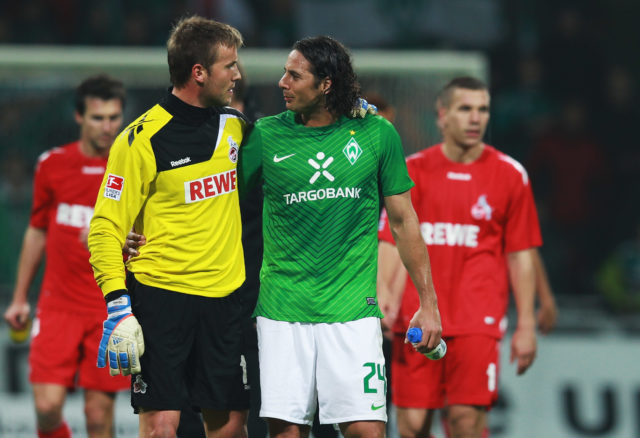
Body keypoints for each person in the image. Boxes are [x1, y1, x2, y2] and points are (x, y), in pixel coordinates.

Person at [237, 35, 442, 438]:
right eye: (284, 73)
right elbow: (218, 205)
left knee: (368, 432)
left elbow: (403, 222)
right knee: (287, 434)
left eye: (294, 75)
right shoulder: (263, 135)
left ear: (325, 83)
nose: (282, 82)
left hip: (352, 313)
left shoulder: (376, 134)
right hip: (282, 310)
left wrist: (428, 302)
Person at [87, 16, 251, 438]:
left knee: (230, 428)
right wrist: (118, 305)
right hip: (161, 299)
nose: (238, 74)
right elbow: (105, 226)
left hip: (225, 299)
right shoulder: (139, 139)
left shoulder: (234, 126)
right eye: (229, 65)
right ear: (199, 72)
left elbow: (294, 138)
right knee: (162, 427)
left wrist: (347, 114)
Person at [377, 76, 542, 438]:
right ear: (442, 116)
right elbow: (391, 240)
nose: (475, 118)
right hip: (416, 315)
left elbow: (521, 255)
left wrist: (526, 324)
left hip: (476, 320)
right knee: (412, 426)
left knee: (467, 422)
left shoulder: (511, 175)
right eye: (465, 108)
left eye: (482, 109)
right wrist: (384, 297)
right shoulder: (412, 171)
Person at [3, 75, 129, 438]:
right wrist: (18, 298)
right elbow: (37, 229)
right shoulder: (52, 165)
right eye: (97, 117)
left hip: (108, 309)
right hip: (56, 305)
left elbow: (149, 236)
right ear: (78, 117)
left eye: (113, 117)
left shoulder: (131, 167)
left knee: (97, 418)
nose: (107, 126)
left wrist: (111, 236)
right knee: (46, 407)